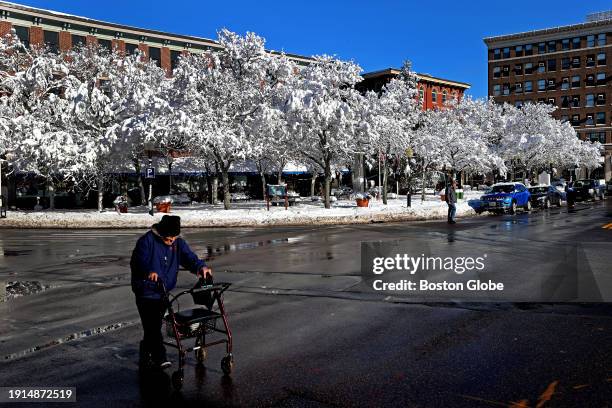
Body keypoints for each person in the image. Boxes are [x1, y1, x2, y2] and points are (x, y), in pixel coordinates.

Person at [130, 215, 212, 369]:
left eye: (174, 237)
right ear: (161, 234)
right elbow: (138, 261)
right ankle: (160, 357)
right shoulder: (146, 241)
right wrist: (149, 271)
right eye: (168, 238)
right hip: (145, 290)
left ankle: (145, 351)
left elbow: (189, 258)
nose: (171, 241)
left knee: (152, 327)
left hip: (163, 290)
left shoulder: (177, 243)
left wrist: (200, 267)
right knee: (152, 326)